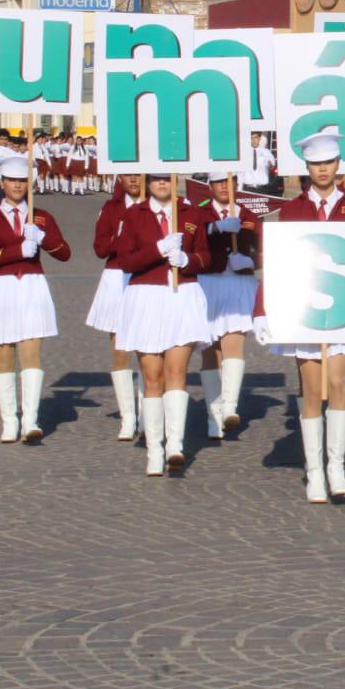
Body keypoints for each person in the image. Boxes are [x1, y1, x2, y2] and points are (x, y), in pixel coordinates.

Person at [262, 132, 345, 502]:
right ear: (307, 167)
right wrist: (262, 309)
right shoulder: (292, 210)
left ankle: (335, 466)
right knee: (312, 391)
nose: (323, 169)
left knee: (338, 382)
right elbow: (276, 264)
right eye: (316, 164)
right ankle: (314, 469)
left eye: (329, 163)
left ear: (338, 166)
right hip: (304, 309)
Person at [116, 172, 212, 476]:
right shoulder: (134, 214)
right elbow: (126, 262)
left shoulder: (191, 213)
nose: (162, 184)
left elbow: (205, 257)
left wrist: (187, 260)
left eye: (166, 179)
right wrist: (158, 249)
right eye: (156, 179)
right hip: (145, 297)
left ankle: (175, 444)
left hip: (182, 294)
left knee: (176, 371)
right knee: (152, 375)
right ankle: (154, 449)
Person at [0, 156, 71, 443]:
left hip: (32, 286)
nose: (17, 186)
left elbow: (65, 253)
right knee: (3, 354)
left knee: (31, 353)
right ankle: (9, 421)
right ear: (2, 183)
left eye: (22, 181)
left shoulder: (40, 216)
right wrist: (19, 249)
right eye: (12, 181)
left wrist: (42, 238)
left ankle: (31, 419)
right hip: (2, 287)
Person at [195, 173, 260, 441]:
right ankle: (214, 415)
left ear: (236, 184)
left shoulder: (248, 214)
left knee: (234, 343)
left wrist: (251, 262)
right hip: (208, 283)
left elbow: (264, 249)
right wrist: (215, 229)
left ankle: (230, 407)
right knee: (211, 352)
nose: (224, 186)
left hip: (237, 284)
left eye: (228, 181)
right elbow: (193, 239)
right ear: (209, 186)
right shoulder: (199, 213)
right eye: (218, 181)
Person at [86, 174, 145, 441]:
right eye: (128, 175)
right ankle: (128, 417)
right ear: (120, 178)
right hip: (117, 276)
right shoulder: (111, 209)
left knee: (149, 348)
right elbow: (100, 248)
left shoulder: (154, 207)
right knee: (120, 350)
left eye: (138, 174)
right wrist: (120, 238)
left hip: (147, 278)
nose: (134, 180)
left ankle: (148, 413)